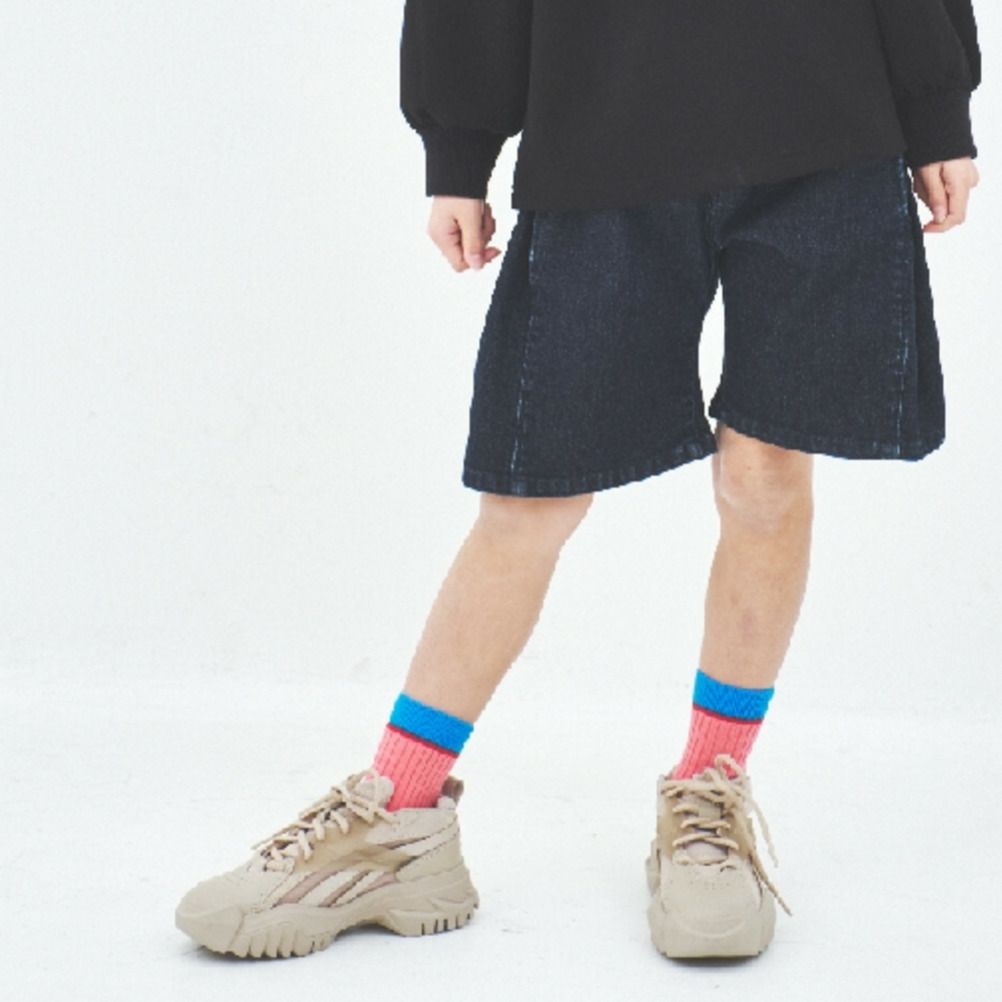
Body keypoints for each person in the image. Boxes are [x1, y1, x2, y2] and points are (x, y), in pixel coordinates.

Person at [175, 0, 982, 961]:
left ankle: (711, 790)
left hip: (829, 123)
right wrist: (459, 152)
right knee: (530, 497)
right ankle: (399, 809)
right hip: (603, 126)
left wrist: (937, 108)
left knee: (766, 472)